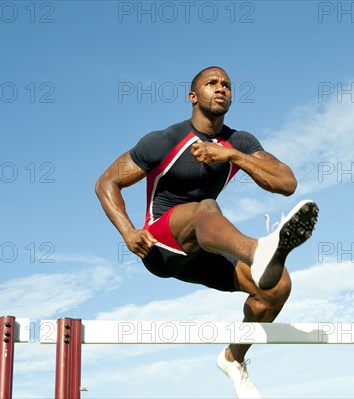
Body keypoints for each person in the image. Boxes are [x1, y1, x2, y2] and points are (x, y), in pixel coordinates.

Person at [95, 66, 318, 398]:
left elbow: (287, 183)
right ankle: (260, 252)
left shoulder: (238, 141)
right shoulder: (164, 141)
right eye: (212, 83)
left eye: (227, 84)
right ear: (193, 96)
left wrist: (232, 155)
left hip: (203, 248)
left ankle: (233, 358)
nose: (221, 88)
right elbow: (106, 183)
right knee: (207, 208)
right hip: (160, 246)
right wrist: (128, 232)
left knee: (277, 287)